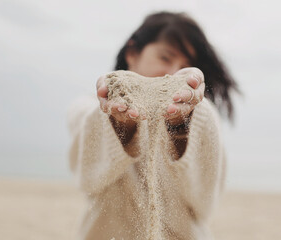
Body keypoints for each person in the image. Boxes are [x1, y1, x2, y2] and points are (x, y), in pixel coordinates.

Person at [67, 11, 239, 240]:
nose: (172, 72)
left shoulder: (202, 116)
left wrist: (183, 124)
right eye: (165, 58)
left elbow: (205, 203)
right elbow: (89, 178)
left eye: (184, 66)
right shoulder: (87, 107)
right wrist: (120, 123)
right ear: (132, 52)